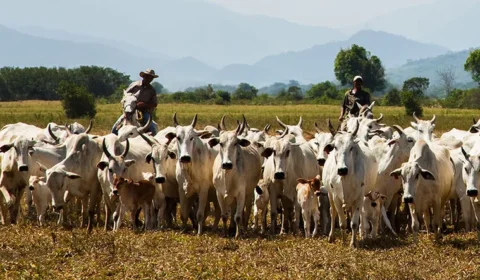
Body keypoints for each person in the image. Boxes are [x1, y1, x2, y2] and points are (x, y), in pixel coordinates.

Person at [111, 69, 159, 135]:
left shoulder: (152, 90)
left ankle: (152, 143)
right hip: (130, 109)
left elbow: (154, 104)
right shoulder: (134, 85)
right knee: (114, 129)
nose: (149, 79)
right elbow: (126, 95)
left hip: (144, 112)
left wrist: (144, 104)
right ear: (144, 76)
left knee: (152, 129)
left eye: (151, 78)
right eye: (147, 76)